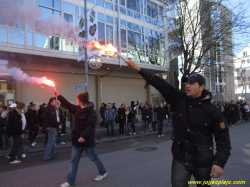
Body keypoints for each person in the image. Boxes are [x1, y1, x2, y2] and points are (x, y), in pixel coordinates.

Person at [125, 59, 231, 187]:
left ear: (201, 87)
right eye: (187, 82)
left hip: (203, 162)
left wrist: (219, 163)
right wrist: (138, 69)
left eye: (192, 83)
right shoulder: (178, 99)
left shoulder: (212, 111)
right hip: (180, 160)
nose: (187, 85)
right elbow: (160, 83)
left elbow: (223, 139)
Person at [54, 91, 107, 187]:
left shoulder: (91, 112)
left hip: (87, 142)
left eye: (77, 99)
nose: (76, 101)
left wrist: (83, 136)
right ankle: (70, 181)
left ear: (82, 102)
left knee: (94, 158)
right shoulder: (78, 109)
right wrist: (59, 95)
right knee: (74, 160)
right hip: (76, 141)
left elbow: (91, 126)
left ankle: (103, 172)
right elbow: (67, 104)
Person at [41, 97, 62, 161]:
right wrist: (58, 124)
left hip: (47, 126)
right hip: (51, 126)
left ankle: (53, 153)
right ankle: (46, 156)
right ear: (51, 102)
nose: (55, 103)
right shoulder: (52, 109)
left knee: (52, 140)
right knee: (50, 142)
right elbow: (52, 119)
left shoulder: (46, 108)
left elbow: (42, 117)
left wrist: (42, 125)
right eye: (54, 102)